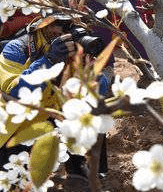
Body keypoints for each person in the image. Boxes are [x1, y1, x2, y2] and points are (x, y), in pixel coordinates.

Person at [0, 15, 110, 176]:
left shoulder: (76, 49)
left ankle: (80, 167)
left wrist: (87, 68)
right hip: (18, 118)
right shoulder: (17, 48)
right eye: (59, 23)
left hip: (53, 112)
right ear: (41, 25)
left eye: (70, 25)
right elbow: (15, 95)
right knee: (11, 186)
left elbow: (99, 93)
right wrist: (48, 60)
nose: (64, 30)